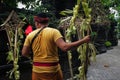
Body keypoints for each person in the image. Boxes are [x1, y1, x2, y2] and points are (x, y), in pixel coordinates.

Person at [22, 12, 90, 80]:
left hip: (37, 71)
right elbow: (64, 47)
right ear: (47, 23)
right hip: (52, 70)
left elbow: (24, 53)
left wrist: (32, 55)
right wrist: (83, 40)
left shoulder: (30, 35)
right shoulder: (54, 32)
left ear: (37, 23)